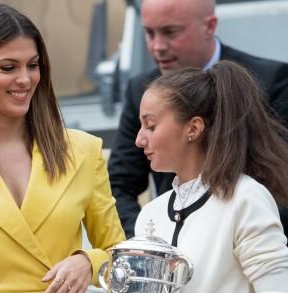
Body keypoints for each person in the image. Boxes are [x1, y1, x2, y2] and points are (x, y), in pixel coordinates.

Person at [108, 0, 288, 239]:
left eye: (171, 32)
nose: (157, 46)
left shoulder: (270, 82)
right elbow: (119, 185)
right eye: (149, 33)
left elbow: (280, 181)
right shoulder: (139, 91)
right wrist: (148, 247)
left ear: (210, 26)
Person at [0, 4, 125, 293]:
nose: (25, 79)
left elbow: (122, 257)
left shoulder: (83, 150)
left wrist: (88, 262)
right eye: (8, 67)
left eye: (33, 65)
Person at [135, 60, 288, 293]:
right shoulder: (149, 214)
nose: (139, 140)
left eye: (151, 126)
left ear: (193, 129)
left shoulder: (246, 198)